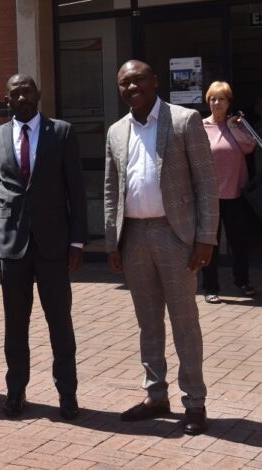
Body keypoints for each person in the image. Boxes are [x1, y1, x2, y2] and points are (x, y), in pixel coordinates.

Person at [105, 60, 218, 435]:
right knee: (148, 322)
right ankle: (156, 395)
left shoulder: (184, 120)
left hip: (176, 235)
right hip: (134, 236)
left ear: (154, 82)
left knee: (185, 322)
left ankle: (195, 402)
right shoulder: (116, 131)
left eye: (138, 79)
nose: (131, 87)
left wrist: (206, 237)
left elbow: (206, 182)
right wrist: (113, 241)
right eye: (124, 83)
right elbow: (111, 190)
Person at [0, 74, 87, 421]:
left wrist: (76, 241)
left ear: (38, 94)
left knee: (60, 323)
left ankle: (67, 394)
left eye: (27, 91)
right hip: (12, 246)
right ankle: (16, 392)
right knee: (15, 325)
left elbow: (76, 189)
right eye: (15, 93)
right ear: (7, 100)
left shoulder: (62, 132)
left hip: (54, 244)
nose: (22, 97)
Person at [200, 81, 257, 304]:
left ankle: (242, 281)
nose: (216, 103)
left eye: (221, 99)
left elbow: (249, 147)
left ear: (228, 102)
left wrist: (232, 126)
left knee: (239, 242)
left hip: (235, 194)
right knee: (210, 244)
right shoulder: (201, 126)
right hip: (209, 196)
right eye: (213, 99)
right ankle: (210, 287)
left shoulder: (238, 125)